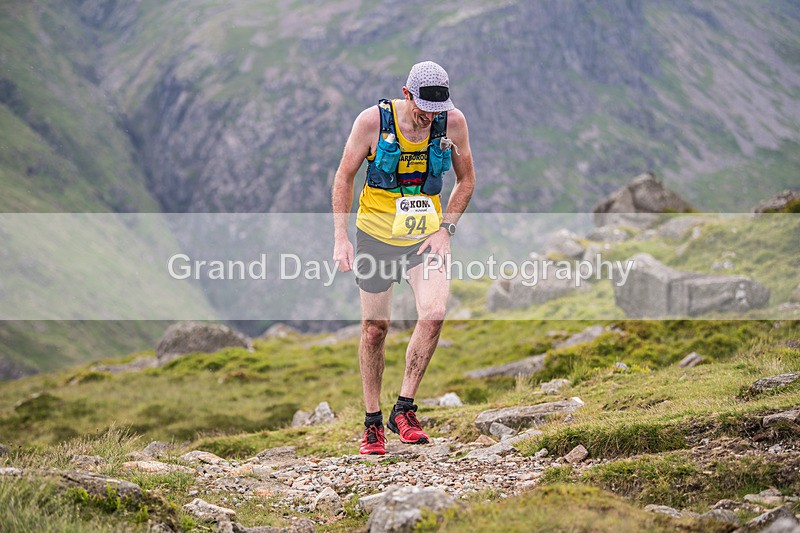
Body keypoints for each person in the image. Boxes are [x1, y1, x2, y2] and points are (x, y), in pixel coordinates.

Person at [332, 61, 475, 455]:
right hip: (376, 238)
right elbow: (344, 176)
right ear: (406, 93)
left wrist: (446, 230)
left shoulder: (452, 123)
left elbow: (467, 180)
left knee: (434, 314)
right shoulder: (371, 122)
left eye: (438, 109)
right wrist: (340, 238)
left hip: (425, 239)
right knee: (375, 330)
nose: (430, 117)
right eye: (423, 108)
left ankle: (404, 410)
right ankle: (372, 423)